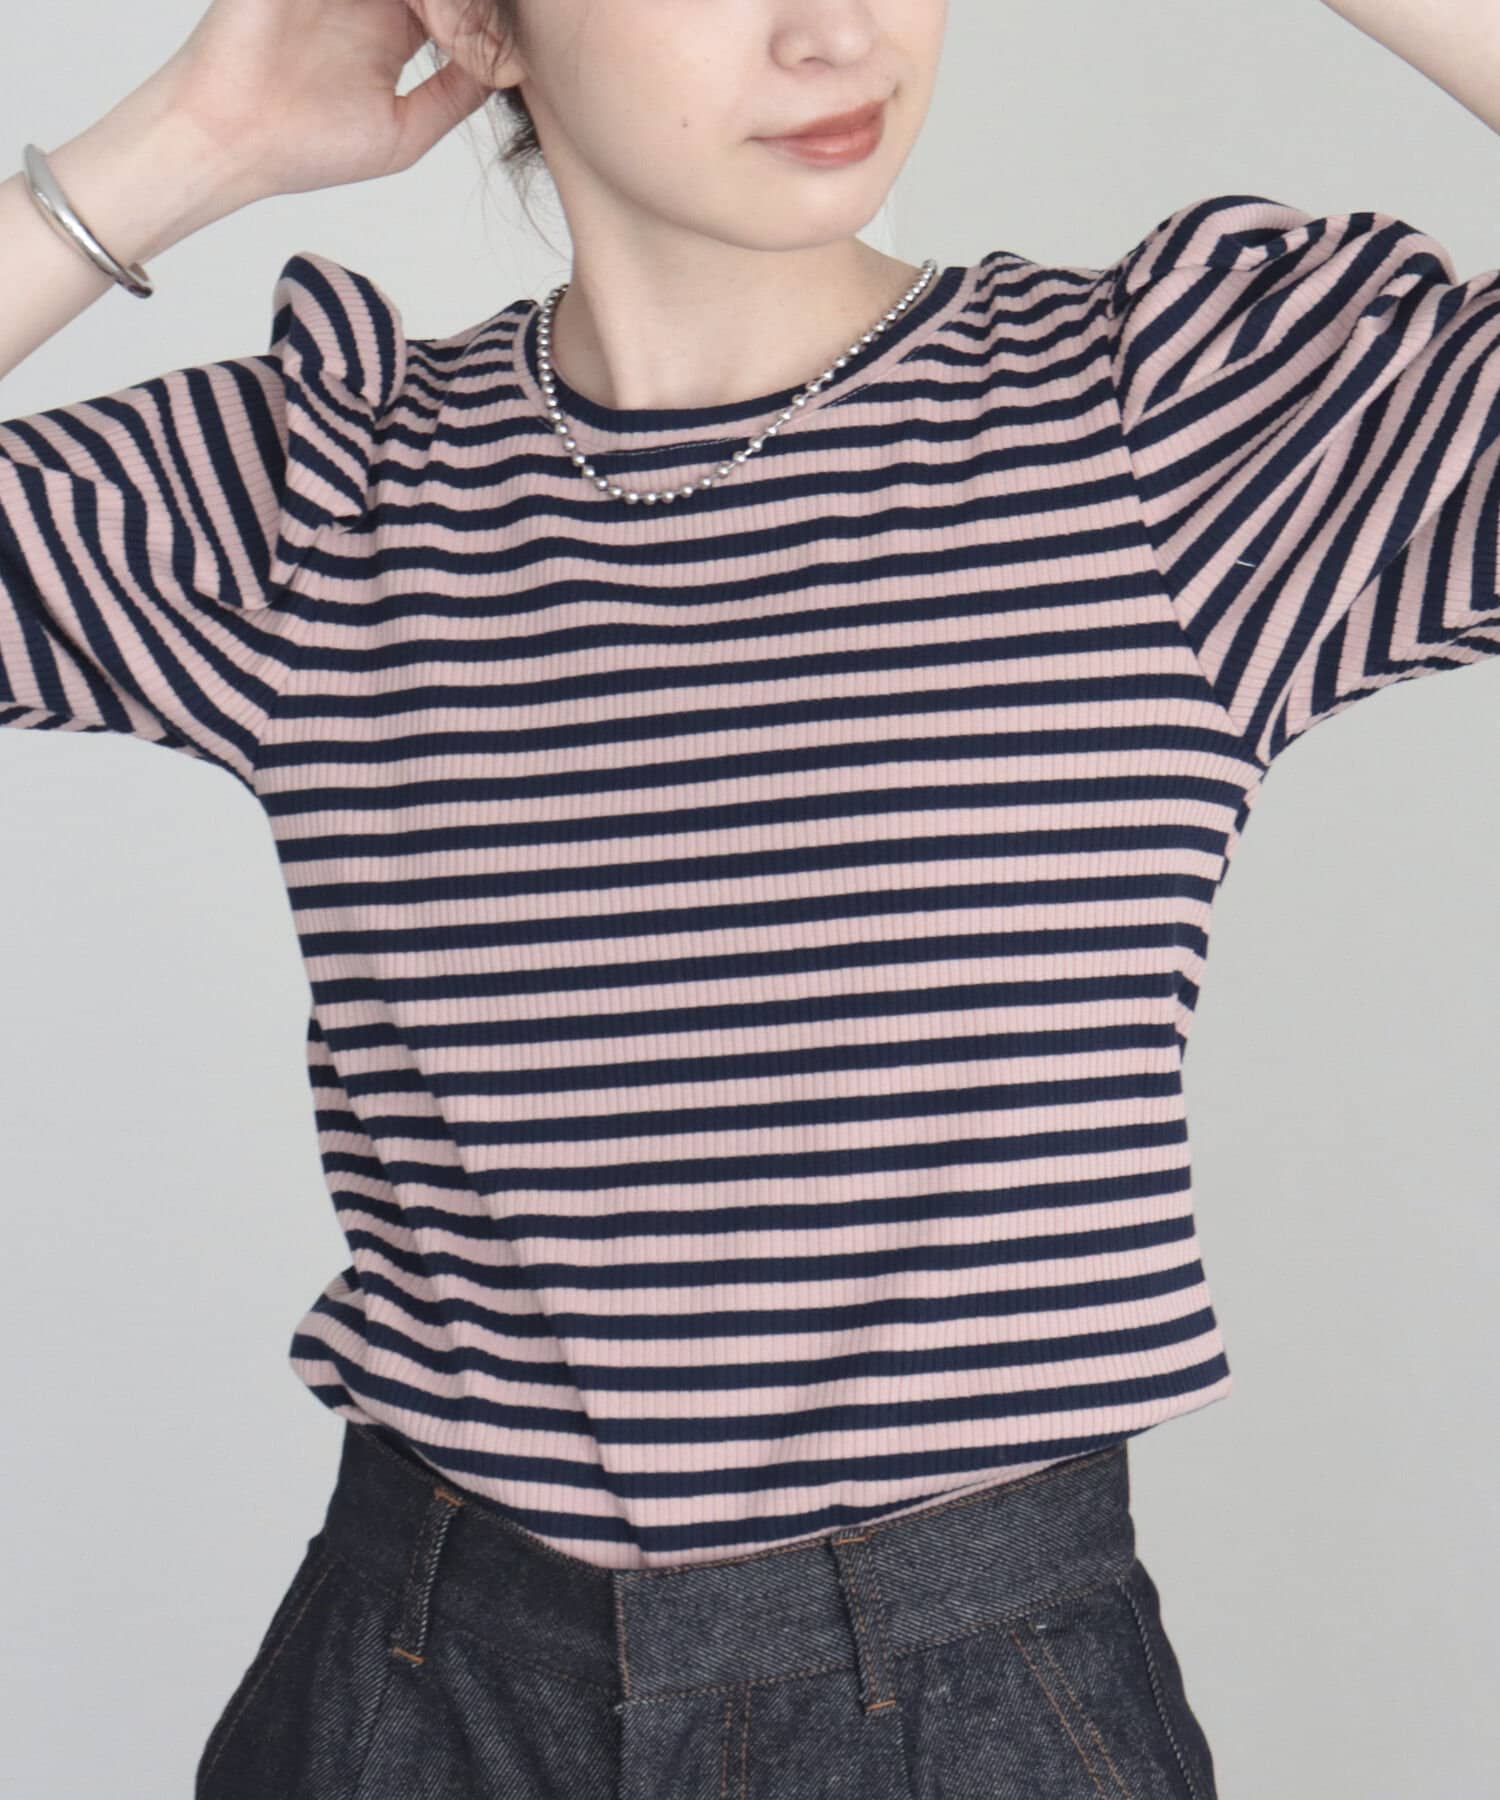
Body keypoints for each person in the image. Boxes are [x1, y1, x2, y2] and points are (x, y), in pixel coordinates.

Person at [4, 2, 1498, 1795]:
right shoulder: (332, 492)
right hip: (419, 1696)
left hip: (974, 1713)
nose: (835, 33)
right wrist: (193, 138)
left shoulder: (1172, 427)